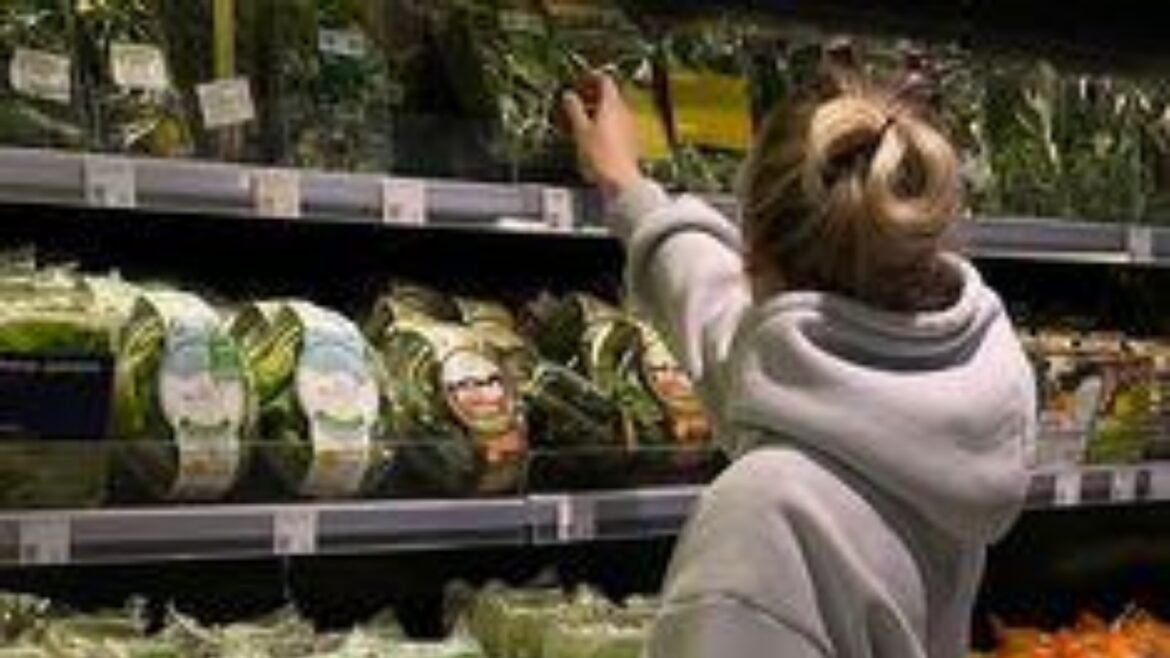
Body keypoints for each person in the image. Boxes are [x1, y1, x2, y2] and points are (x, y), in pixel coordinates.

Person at [562, 71, 1036, 658]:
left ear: (753, 254)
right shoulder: (944, 419)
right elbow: (725, 326)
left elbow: (742, 344)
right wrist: (628, 189)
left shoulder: (765, 520)